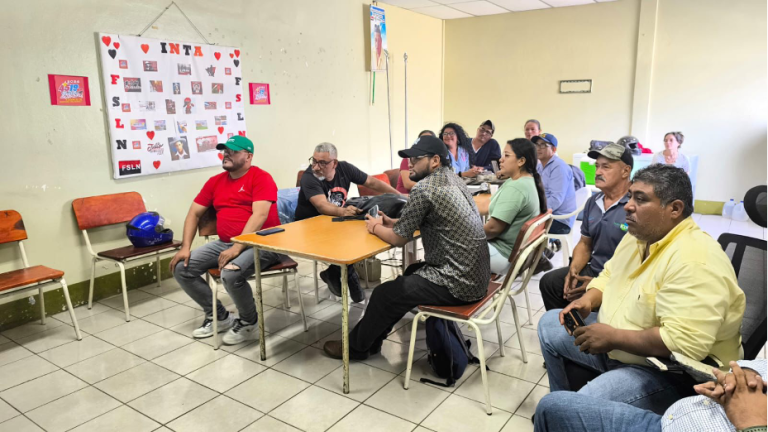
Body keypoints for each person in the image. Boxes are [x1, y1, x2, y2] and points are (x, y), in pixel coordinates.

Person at [537, 164, 745, 414]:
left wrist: (612, 337)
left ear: (674, 209)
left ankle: (565, 415)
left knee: (564, 410)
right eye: (630, 196)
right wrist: (589, 300)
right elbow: (610, 274)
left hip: (665, 370)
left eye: (640, 198)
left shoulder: (695, 259)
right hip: (619, 347)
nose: (628, 205)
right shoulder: (639, 235)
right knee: (549, 324)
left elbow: (684, 344)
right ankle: (563, 410)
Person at [322, 135, 491, 360]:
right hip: (477, 278)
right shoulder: (455, 181)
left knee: (384, 293)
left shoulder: (425, 189)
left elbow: (398, 240)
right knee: (409, 275)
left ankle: (356, 348)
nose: (410, 163)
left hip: (457, 283)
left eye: (416, 158)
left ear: (435, 161)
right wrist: (393, 223)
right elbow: (429, 221)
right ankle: (371, 341)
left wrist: (374, 227)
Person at [170, 136, 283, 344]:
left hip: (264, 243)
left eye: (233, 151)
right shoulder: (215, 182)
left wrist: (238, 247)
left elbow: (259, 215)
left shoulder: (261, 178)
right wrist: (185, 247)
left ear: (248, 156)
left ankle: (249, 322)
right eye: (224, 150)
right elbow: (194, 214)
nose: (226, 154)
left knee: (230, 274)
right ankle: (219, 317)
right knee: (182, 268)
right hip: (226, 242)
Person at [294, 142, 401, 303]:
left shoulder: (345, 168)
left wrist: (398, 195)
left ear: (334, 163)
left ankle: (335, 273)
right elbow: (322, 205)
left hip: (336, 221)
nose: (316, 167)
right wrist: (343, 211)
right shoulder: (310, 177)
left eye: (322, 163)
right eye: (314, 161)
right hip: (311, 225)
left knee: (367, 229)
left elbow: (371, 182)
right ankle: (348, 278)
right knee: (350, 239)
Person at [534, 360, 768, 432]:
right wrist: (743, 377)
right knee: (553, 407)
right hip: (670, 419)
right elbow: (756, 365)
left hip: (655, 367)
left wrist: (751, 423)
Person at [540, 142, 633, 311]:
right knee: (551, 283)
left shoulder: (636, 205)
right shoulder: (594, 201)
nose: (598, 172)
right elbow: (585, 243)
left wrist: (600, 285)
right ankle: (570, 329)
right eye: (597, 166)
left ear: (625, 171)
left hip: (624, 280)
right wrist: (574, 270)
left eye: (606, 167)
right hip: (595, 270)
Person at [481, 139, 546, 275]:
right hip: (512, 254)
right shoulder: (522, 180)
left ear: (521, 161)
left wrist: (463, 233)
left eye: (507, 155)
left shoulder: (517, 187)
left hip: (503, 256)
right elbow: (488, 204)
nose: (501, 159)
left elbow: (492, 229)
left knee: (449, 242)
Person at [533, 133, 576, 234]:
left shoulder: (559, 168)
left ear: (554, 149)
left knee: (519, 228)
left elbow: (555, 200)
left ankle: (542, 249)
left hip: (559, 220)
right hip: (547, 214)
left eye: (543, 145)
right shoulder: (540, 166)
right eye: (536, 145)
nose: (538, 148)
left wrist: (534, 211)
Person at [396, 130, 435, 194]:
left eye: (428, 140)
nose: (424, 142)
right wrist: (431, 188)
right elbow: (407, 184)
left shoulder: (433, 159)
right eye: (421, 139)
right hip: (405, 196)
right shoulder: (408, 158)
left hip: (422, 195)